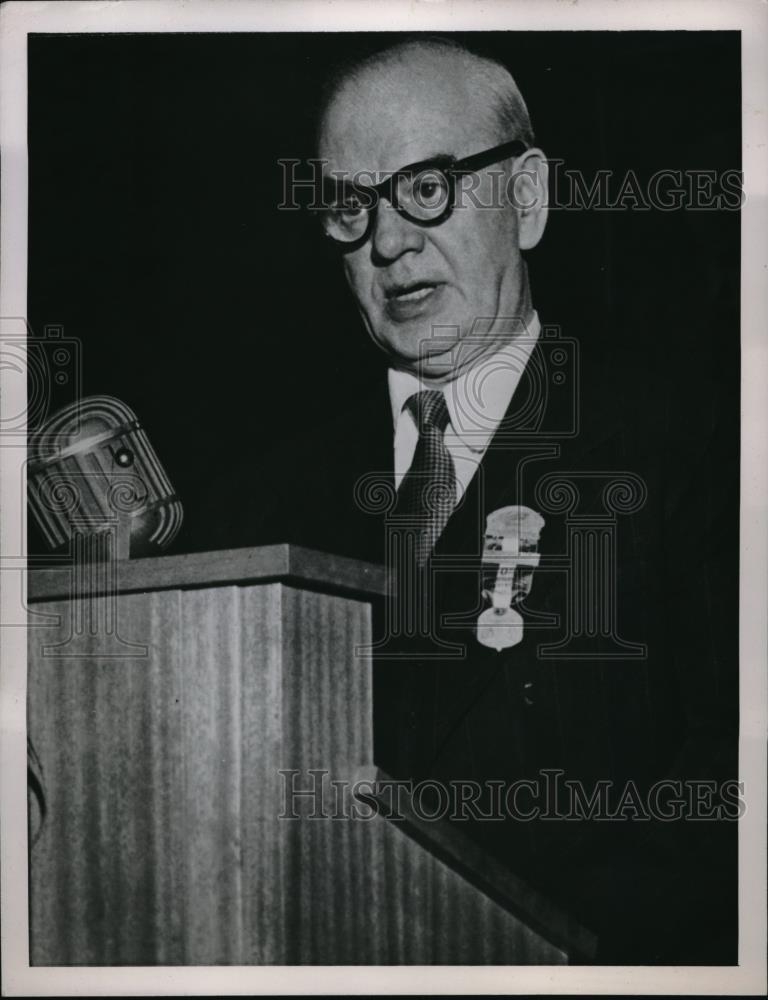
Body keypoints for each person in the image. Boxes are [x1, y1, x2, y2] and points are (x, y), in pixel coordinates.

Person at [198, 37, 738, 964]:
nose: (389, 240)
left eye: (426, 187)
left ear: (527, 199)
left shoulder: (694, 450)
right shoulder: (257, 513)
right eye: (350, 205)